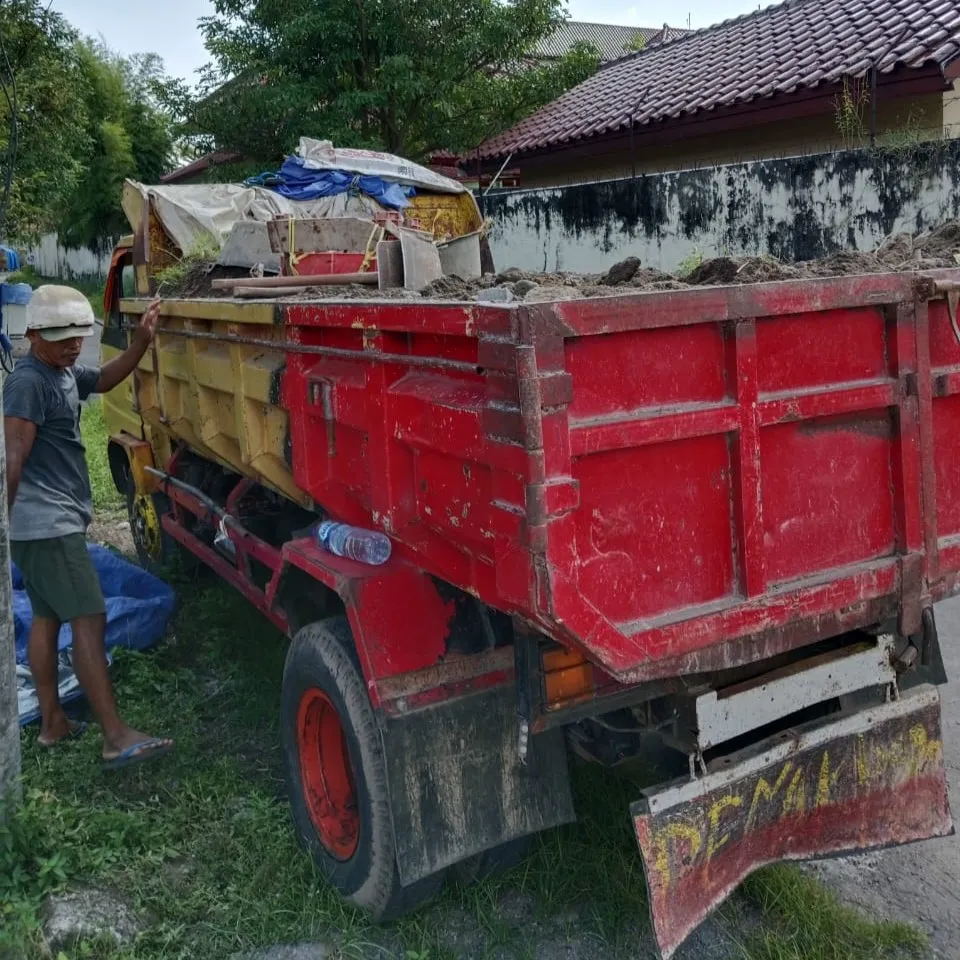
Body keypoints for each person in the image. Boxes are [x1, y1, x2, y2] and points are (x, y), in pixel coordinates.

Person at [3, 285, 173, 770]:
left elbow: (101, 379)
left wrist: (140, 342)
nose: (73, 344)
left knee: (46, 617)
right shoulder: (29, 382)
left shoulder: (59, 372)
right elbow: (12, 457)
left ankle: (53, 723)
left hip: (45, 523)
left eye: (78, 335)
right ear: (33, 334)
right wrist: (4, 528)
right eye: (61, 337)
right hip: (46, 524)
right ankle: (115, 736)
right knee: (90, 618)